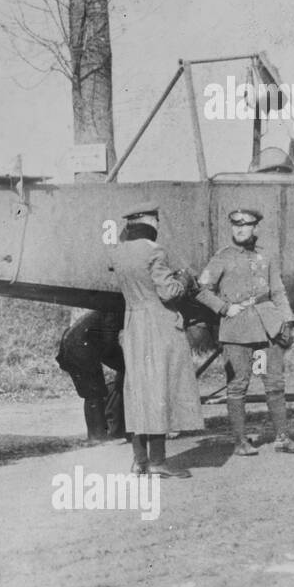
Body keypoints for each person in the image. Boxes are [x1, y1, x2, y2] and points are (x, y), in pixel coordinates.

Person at [196, 208, 294, 455]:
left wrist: (286, 321)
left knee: (275, 384)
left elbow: (278, 291)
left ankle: (282, 438)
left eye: (245, 225)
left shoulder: (266, 257)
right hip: (237, 331)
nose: (240, 229)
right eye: (235, 225)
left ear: (256, 228)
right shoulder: (222, 257)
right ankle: (240, 442)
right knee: (238, 386)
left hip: (268, 329)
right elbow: (202, 290)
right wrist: (224, 308)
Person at [109, 203, 201, 478]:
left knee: (138, 390)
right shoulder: (155, 251)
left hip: (133, 322)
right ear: (152, 222)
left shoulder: (119, 252)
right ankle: (159, 462)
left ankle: (140, 461)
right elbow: (168, 293)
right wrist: (184, 281)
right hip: (159, 324)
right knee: (160, 388)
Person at [55, 309, 125, 442]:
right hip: (80, 347)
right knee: (94, 393)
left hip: (76, 344)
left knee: (92, 393)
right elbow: (108, 345)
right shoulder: (114, 311)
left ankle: (96, 435)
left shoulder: (107, 310)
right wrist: (122, 365)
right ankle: (97, 437)